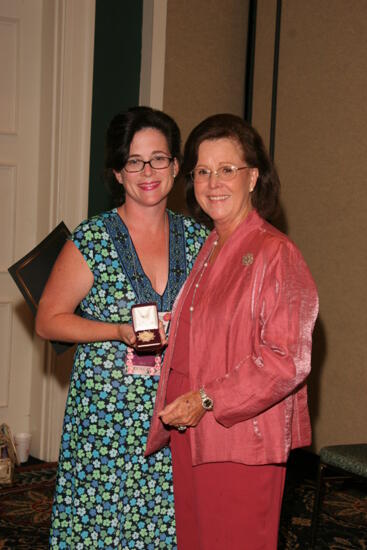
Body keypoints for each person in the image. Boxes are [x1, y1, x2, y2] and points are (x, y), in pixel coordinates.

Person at [35, 106, 209, 549]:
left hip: (173, 418)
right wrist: (114, 331)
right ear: (117, 171)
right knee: (99, 529)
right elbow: (48, 320)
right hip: (105, 422)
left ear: (176, 166)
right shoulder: (92, 239)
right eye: (134, 161)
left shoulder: (198, 239)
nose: (147, 171)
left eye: (159, 158)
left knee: (162, 530)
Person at [146, 113, 319, 550]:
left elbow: (285, 359)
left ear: (253, 176)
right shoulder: (214, 241)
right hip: (190, 426)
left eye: (227, 169)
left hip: (238, 433)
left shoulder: (275, 251)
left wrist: (207, 399)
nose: (212, 182)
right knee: (197, 540)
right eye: (202, 171)